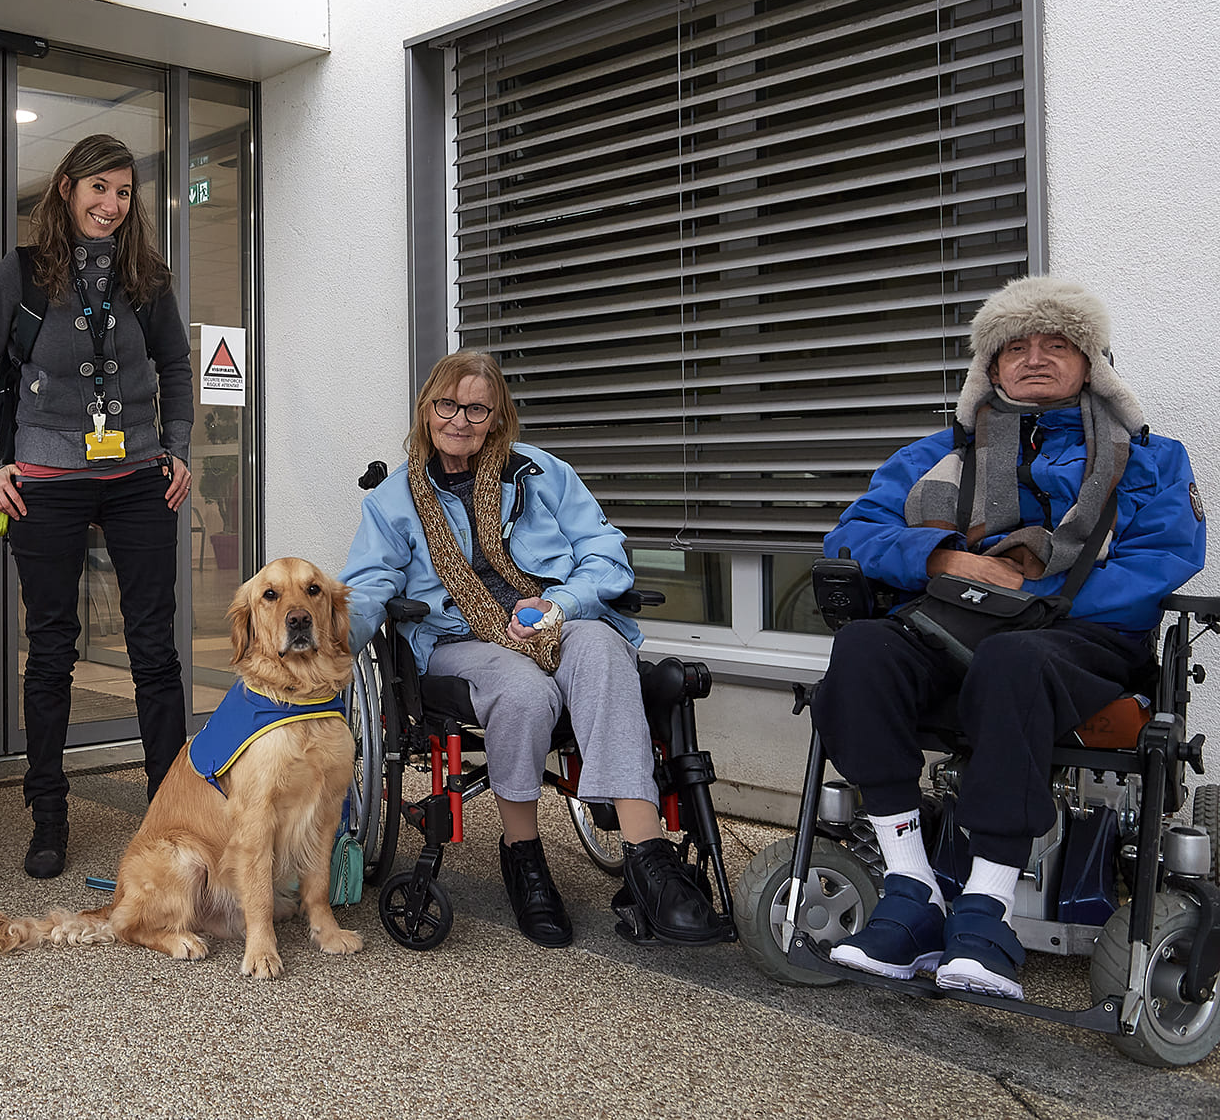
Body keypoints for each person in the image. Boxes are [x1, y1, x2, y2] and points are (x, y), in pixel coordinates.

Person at [815, 277, 1204, 998]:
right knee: (864, 648)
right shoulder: (937, 454)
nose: (1034, 358)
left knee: (1014, 658)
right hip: (954, 624)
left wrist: (1037, 591)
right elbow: (854, 534)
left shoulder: (1151, 458)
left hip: (1081, 639)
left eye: (1057, 344)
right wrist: (941, 558)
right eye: (1015, 347)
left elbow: (1164, 559)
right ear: (989, 370)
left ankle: (985, 909)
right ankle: (912, 889)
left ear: (1092, 363)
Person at [342, 350, 728, 948]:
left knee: (601, 648)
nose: (460, 419)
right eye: (448, 404)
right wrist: (331, 638)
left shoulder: (543, 474)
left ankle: (647, 858)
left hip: (551, 618)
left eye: (477, 408)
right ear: (427, 410)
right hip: (460, 640)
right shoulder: (392, 501)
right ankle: (523, 854)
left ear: (497, 417)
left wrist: (561, 606)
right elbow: (369, 586)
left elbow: (604, 553)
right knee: (523, 690)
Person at [0, 133, 194, 879]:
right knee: (52, 647)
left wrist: (178, 447)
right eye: (98, 189)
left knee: (155, 648)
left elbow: (178, 365)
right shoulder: (21, 275)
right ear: (66, 188)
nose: (111, 206)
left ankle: (169, 812)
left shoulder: (147, 276)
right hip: (45, 477)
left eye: (123, 193)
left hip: (138, 474)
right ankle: (48, 812)